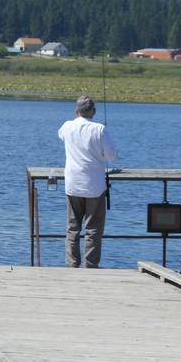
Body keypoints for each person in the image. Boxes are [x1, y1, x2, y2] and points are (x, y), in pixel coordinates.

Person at [58, 96, 118, 268]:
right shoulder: (99, 129)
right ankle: (90, 265)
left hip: (73, 185)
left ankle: (71, 264)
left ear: (76, 111)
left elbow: (60, 134)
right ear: (94, 111)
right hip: (94, 186)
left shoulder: (67, 126)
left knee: (72, 227)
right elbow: (112, 156)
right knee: (93, 229)